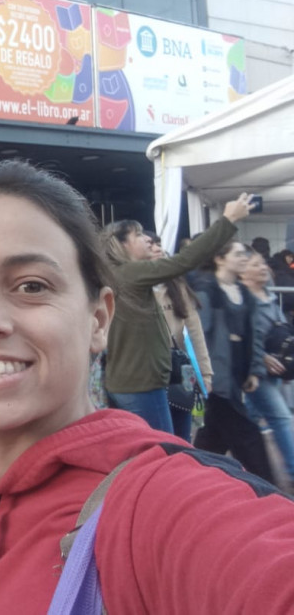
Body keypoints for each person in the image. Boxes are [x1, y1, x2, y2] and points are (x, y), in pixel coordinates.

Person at [0, 160, 294, 614]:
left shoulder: (149, 512)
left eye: (31, 285)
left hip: (163, 385)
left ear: (98, 319)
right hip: (134, 385)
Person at [100, 199, 253, 434]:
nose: (147, 239)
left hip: (134, 382)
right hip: (140, 384)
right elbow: (185, 261)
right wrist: (228, 220)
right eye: (138, 235)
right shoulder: (129, 273)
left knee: (165, 448)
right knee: (165, 452)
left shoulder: (117, 275)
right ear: (122, 245)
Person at [192, 242, 276, 484]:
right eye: (238, 254)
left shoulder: (243, 291)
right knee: (246, 433)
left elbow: (254, 334)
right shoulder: (207, 290)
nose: (243, 258)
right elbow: (201, 334)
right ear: (220, 259)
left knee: (213, 436)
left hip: (236, 369)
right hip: (217, 372)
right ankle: (268, 486)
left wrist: (254, 369)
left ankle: (197, 478)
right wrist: (205, 374)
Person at [144, 231, 214, 441]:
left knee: (182, 433)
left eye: (159, 244)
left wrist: (205, 374)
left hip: (179, 370)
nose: (157, 249)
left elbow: (195, 330)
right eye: (150, 245)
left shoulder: (176, 286)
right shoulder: (133, 287)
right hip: (145, 374)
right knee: (158, 435)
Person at [241, 250, 294, 487]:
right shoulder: (241, 299)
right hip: (255, 370)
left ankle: (249, 465)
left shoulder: (266, 295)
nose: (263, 267)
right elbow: (242, 337)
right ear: (244, 272)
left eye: (263, 263)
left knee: (249, 419)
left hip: (273, 370)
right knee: (281, 418)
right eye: (256, 264)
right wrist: (261, 358)